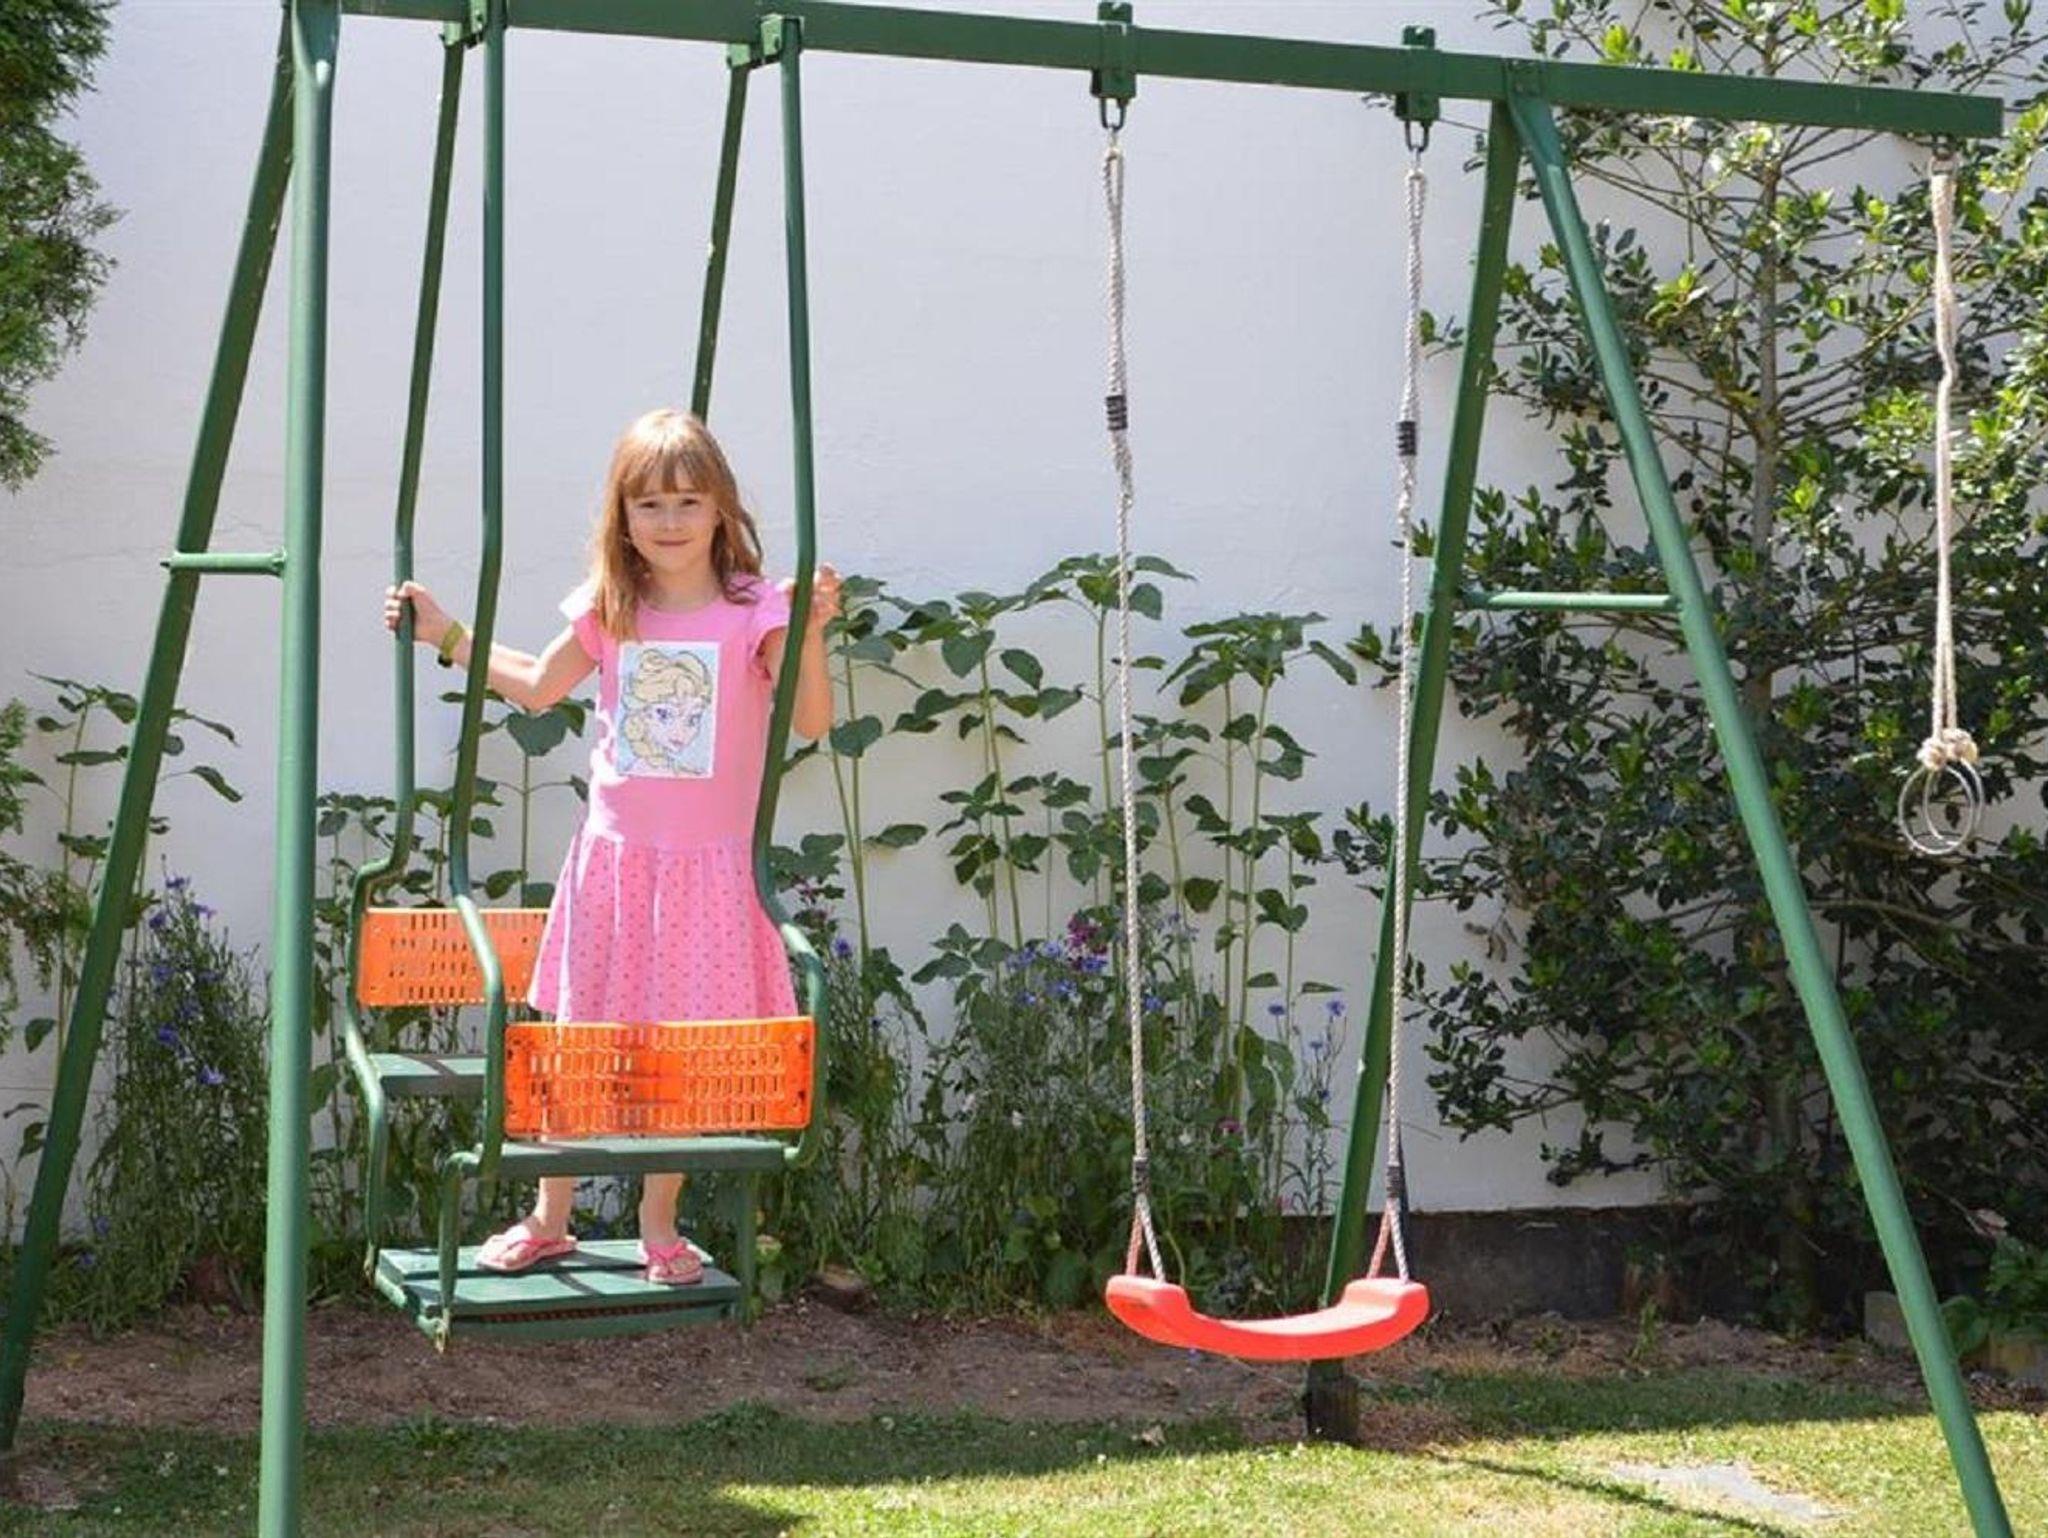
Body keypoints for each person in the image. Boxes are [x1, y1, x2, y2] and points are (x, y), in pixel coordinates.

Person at [383, 407, 839, 1285]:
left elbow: (811, 719)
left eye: (687, 501)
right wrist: (446, 635)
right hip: (617, 865)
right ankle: (549, 1214)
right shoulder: (613, 607)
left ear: (721, 510)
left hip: (709, 872)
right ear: (622, 518)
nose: (669, 521)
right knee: (578, 1039)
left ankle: (658, 1221)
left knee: (680, 1054)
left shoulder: (754, 612)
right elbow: (537, 685)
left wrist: (810, 631)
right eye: (649, 504)